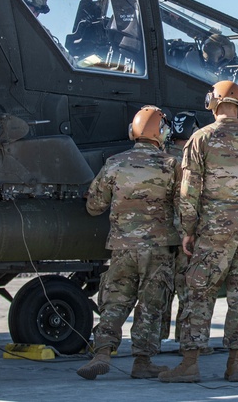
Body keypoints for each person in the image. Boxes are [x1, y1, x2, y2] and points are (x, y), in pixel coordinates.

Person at [159, 81, 238, 384]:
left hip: (214, 229)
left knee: (200, 293)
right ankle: (235, 365)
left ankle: (190, 364)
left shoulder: (200, 139)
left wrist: (187, 229)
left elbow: (189, 191)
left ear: (213, 103)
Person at [78, 106, 180, 380]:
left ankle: (101, 352)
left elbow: (94, 207)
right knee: (150, 303)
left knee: (115, 300)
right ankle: (143, 361)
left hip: (122, 247)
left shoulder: (114, 163)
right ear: (162, 133)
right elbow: (185, 208)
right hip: (158, 249)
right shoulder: (172, 165)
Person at [156, 111, 199, 343]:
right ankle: (185, 339)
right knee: (187, 289)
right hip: (184, 234)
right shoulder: (191, 161)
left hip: (161, 235)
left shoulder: (161, 158)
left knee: (161, 288)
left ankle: (157, 336)